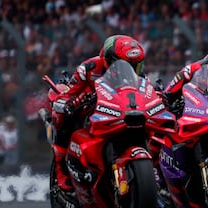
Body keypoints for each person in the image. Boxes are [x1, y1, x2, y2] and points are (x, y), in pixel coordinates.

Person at [52, 34, 145, 192]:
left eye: (136, 65)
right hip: (90, 111)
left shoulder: (137, 74)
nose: (133, 70)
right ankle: (61, 171)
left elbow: (146, 91)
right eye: (127, 65)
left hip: (121, 112)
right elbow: (67, 94)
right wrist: (69, 103)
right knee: (63, 118)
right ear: (110, 60)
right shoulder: (88, 69)